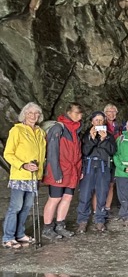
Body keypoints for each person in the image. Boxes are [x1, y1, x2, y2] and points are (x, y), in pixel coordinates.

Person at [2, 102, 46, 249]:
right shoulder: (17, 130)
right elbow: (8, 153)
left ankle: (20, 234)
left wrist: (40, 172)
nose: (33, 116)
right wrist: (24, 164)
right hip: (20, 174)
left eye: (36, 113)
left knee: (27, 207)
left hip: (34, 176)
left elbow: (41, 155)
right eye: (30, 113)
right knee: (16, 206)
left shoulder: (40, 132)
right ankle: (8, 237)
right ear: (24, 115)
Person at [41, 102, 83, 239]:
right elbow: (52, 152)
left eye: (80, 113)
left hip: (71, 170)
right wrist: (56, 171)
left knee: (67, 198)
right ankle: (47, 228)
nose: (79, 115)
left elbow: (78, 153)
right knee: (54, 198)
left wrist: (79, 170)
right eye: (77, 112)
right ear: (68, 113)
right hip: (59, 170)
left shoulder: (75, 130)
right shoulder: (58, 128)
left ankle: (60, 225)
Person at [76, 111, 116, 233]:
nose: (98, 122)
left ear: (104, 121)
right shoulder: (86, 135)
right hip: (88, 166)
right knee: (85, 194)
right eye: (96, 120)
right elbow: (84, 151)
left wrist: (104, 139)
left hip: (103, 167)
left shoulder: (109, 135)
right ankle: (82, 221)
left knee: (102, 194)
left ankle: (100, 220)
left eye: (101, 120)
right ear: (92, 121)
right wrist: (92, 139)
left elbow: (112, 151)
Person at [102, 103, 122, 216]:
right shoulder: (101, 125)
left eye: (114, 111)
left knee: (111, 184)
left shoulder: (118, 126)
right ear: (105, 113)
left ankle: (107, 208)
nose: (112, 113)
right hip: (104, 157)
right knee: (101, 183)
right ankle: (99, 208)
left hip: (116, 156)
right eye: (109, 111)